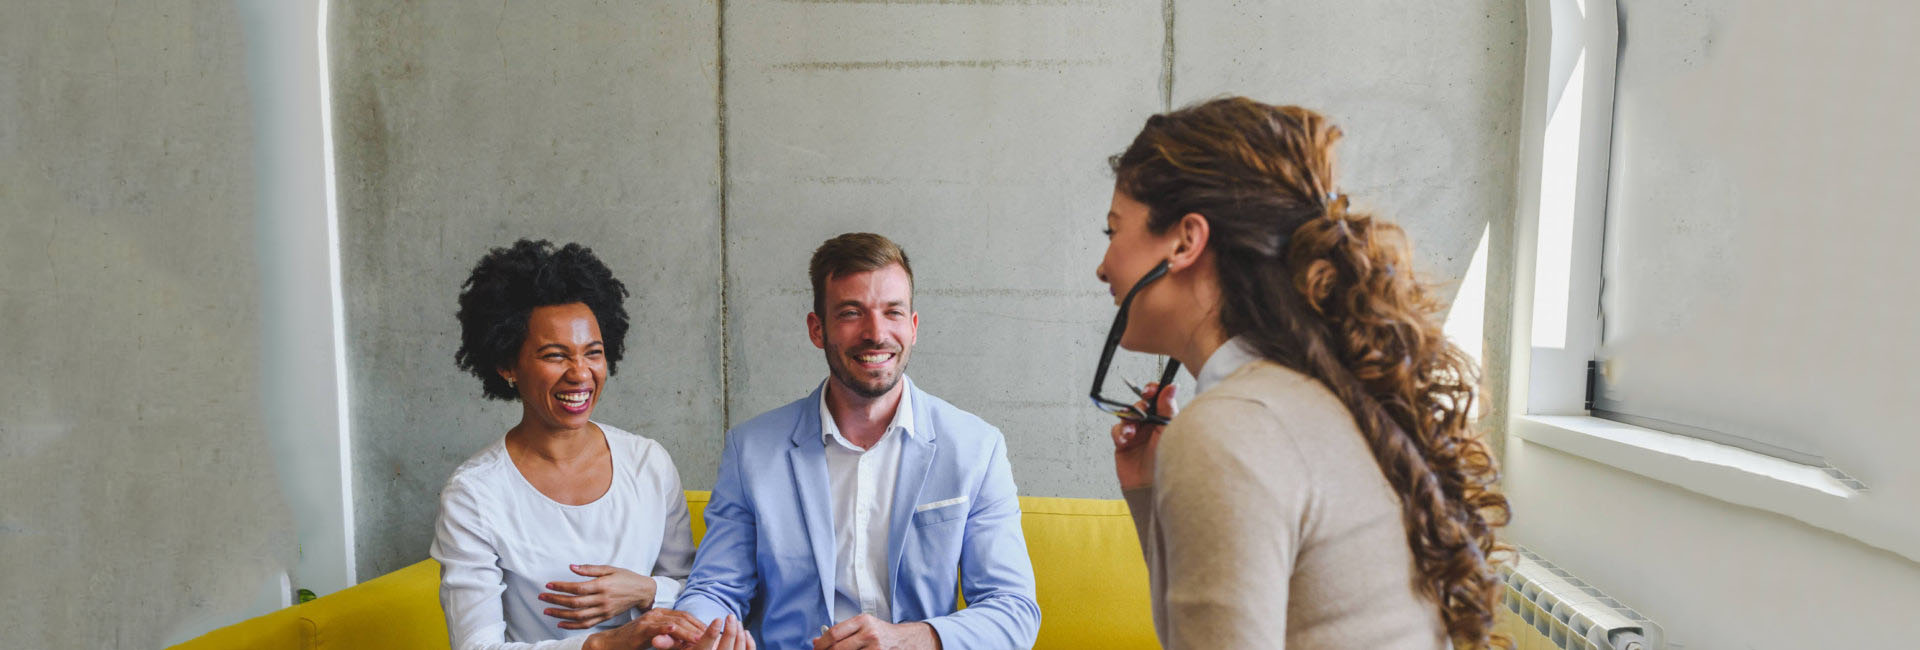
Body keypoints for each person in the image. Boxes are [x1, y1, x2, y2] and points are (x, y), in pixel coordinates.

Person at [1094, 98, 1512, 649]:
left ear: (1185, 241)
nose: (1104, 267)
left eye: (1112, 232)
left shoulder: (1231, 427)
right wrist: (1153, 492)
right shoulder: (1317, 398)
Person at [670, 233, 1041, 650]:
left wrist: (911, 639)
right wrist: (702, 633)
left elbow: (1012, 610)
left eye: (893, 312)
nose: (876, 333)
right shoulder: (751, 451)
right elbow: (715, 589)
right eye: (851, 313)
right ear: (817, 329)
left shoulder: (976, 448)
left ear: (913, 328)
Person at [433, 239, 726, 650]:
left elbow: (697, 592)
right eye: (555, 355)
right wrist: (601, 645)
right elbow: (477, 647)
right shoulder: (475, 494)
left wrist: (643, 590)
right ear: (506, 365)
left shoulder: (647, 463)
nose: (580, 373)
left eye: (593, 353)